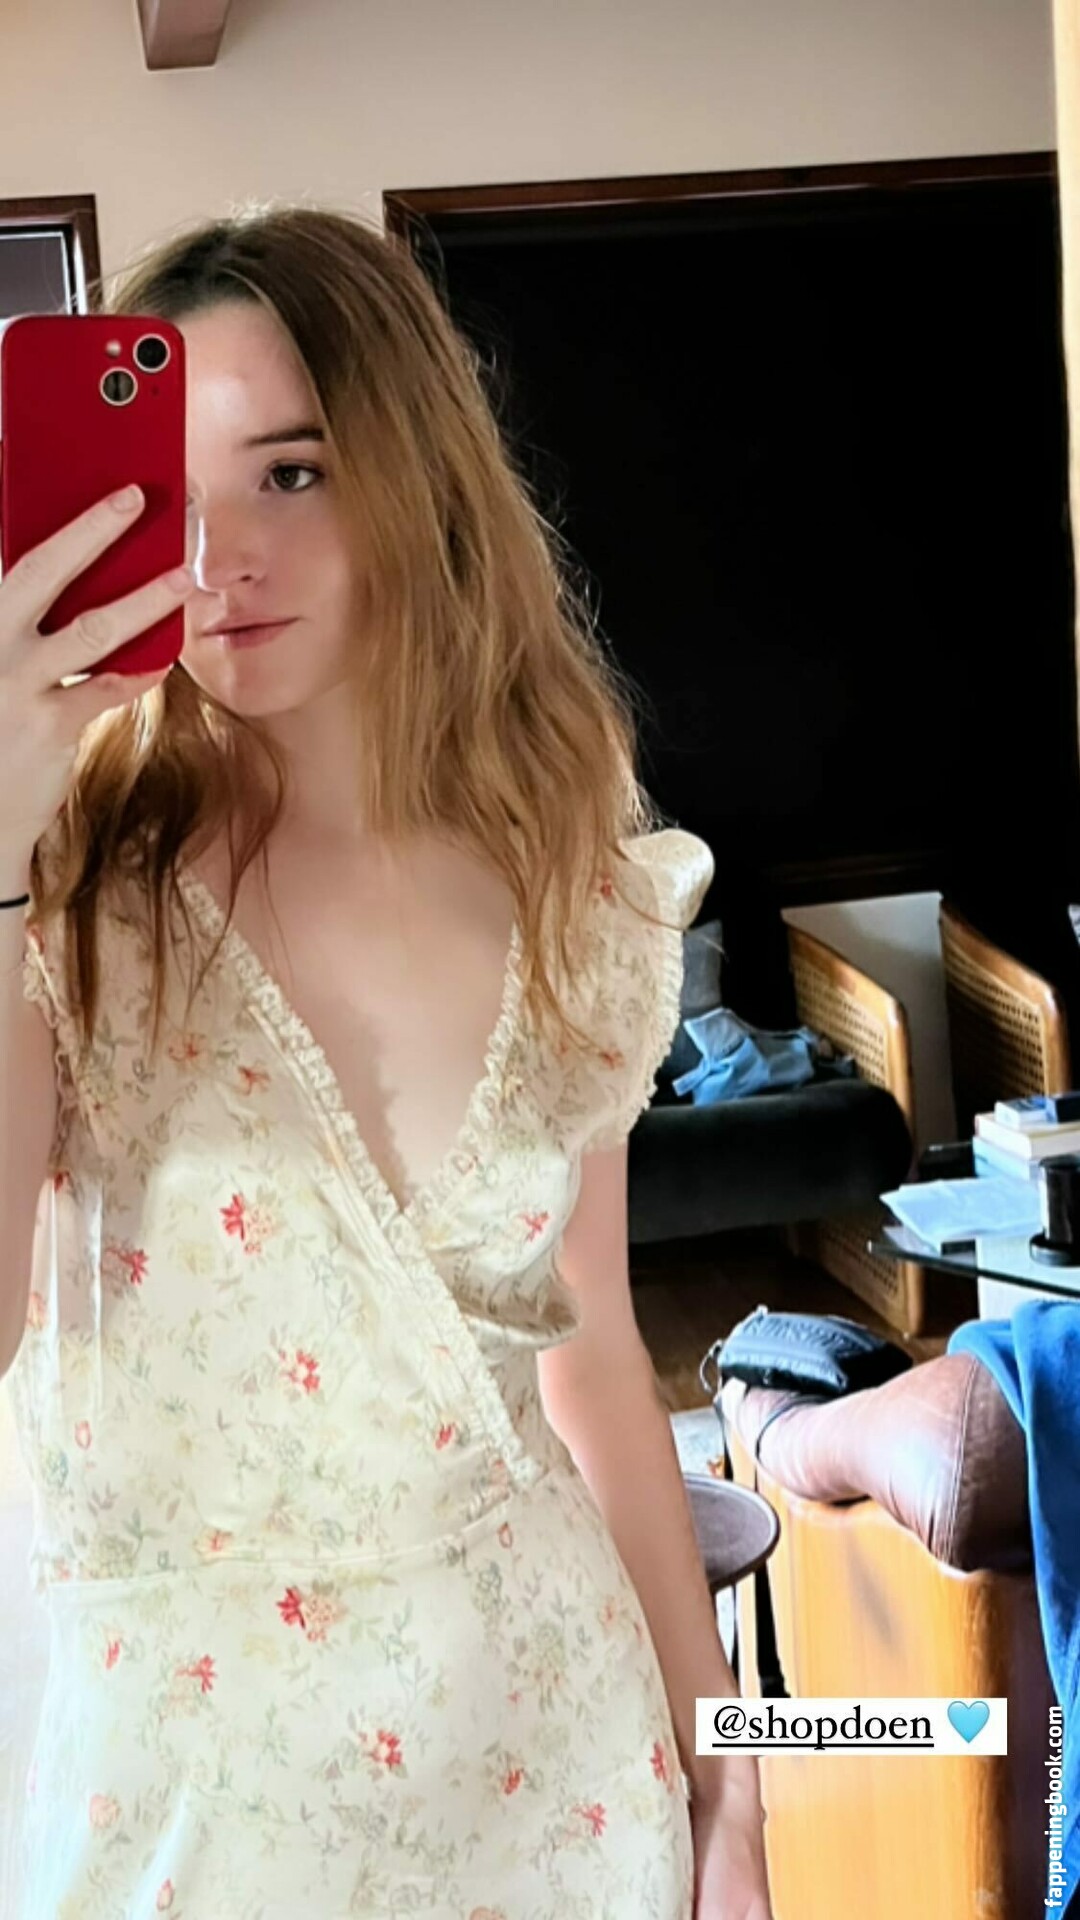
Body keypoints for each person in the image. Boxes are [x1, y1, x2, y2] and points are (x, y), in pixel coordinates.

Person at [0, 201, 772, 1919]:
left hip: (567, 1789)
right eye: (171, 498)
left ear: (414, 479)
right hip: (195, 1820)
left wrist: (731, 1783)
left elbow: (593, 1364)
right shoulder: (63, 892)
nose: (222, 561)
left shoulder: (572, 890)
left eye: (291, 472)